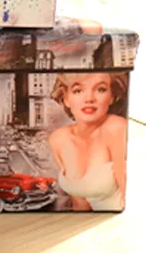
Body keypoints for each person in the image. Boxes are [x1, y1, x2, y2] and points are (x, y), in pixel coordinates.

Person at [48, 72, 129, 211]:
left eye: (100, 89)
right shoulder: (58, 139)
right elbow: (80, 204)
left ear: (111, 97)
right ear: (66, 99)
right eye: (78, 91)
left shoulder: (117, 128)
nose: (89, 99)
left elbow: (132, 200)